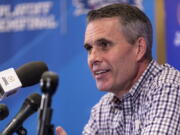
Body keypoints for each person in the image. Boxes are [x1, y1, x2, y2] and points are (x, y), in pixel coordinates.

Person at [56, 3, 180, 135]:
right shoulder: (104, 108)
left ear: (139, 48)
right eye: (89, 49)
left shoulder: (170, 87)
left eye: (104, 45)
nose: (93, 58)